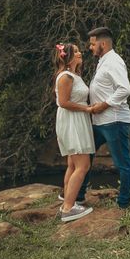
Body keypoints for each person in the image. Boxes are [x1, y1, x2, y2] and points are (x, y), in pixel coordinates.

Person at [78, 27, 130, 209]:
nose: (90, 47)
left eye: (93, 44)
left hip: (114, 120)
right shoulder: (103, 61)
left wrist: (103, 105)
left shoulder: (114, 62)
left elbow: (125, 89)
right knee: (85, 156)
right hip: (99, 121)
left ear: (103, 44)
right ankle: (78, 196)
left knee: (122, 164)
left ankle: (124, 204)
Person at [53, 42, 95, 222]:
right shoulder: (66, 77)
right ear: (68, 57)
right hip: (72, 121)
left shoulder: (74, 75)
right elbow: (63, 102)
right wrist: (86, 109)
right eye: (76, 51)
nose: (80, 53)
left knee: (72, 164)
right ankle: (69, 209)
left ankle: (66, 203)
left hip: (77, 120)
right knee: (82, 165)